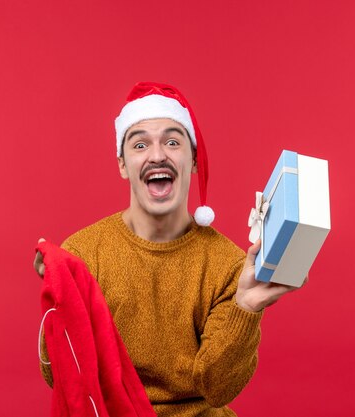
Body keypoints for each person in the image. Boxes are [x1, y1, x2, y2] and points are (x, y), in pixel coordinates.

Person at [34, 82, 302, 417]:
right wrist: (62, 297)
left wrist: (244, 307)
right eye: (140, 144)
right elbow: (56, 377)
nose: (157, 155)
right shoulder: (85, 253)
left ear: (192, 160)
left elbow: (217, 389)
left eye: (173, 142)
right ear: (122, 164)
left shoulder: (228, 264)